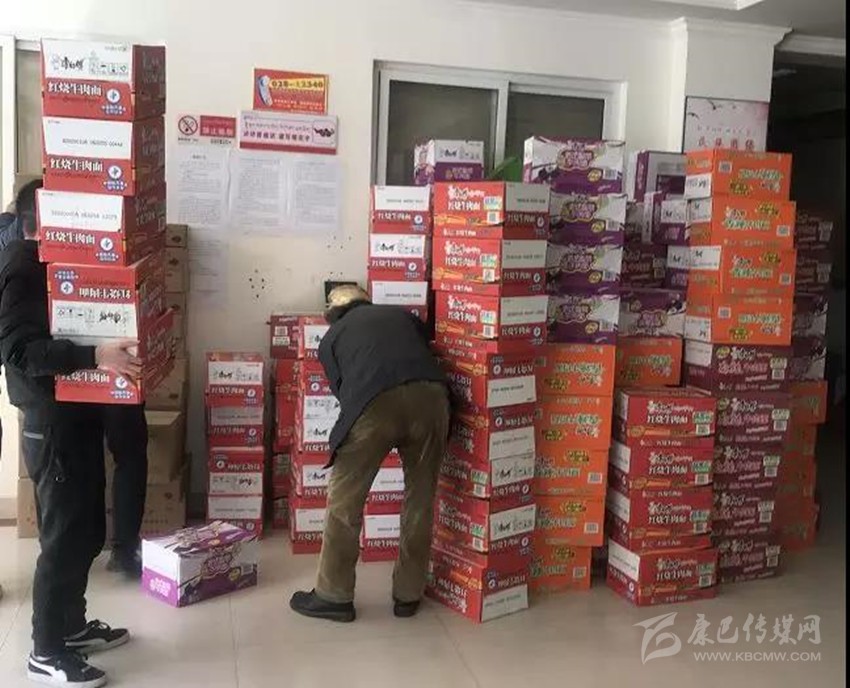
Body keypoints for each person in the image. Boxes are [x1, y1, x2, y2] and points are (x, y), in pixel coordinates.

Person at [0, 199, 140, 687]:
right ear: (45, 222)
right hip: (52, 422)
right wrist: (95, 355)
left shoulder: (61, 269)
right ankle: (45, 650)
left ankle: (72, 626)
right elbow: (21, 352)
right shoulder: (22, 267)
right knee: (62, 538)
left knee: (85, 530)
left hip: (79, 413)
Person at [289, 285, 450, 623]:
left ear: (333, 315)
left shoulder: (332, 338)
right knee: (420, 500)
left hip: (374, 404)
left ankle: (333, 596)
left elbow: (345, 393)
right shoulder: (403, 316)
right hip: (432, 398)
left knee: (345, 502)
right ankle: (409, 594)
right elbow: (426, 349)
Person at [102, 403, 148, 578]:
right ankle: (124, 551)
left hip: (71, 392)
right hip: (118, 394)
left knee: (79, 459)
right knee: (130, 458)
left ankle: (69, 548)